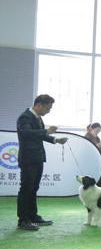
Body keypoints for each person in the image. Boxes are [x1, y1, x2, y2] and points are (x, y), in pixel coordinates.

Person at [15, 95, 68, 231]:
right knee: (26, 189)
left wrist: (55, 140)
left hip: (37, 158)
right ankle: (23, 219)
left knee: (33, 188)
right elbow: (26, 132)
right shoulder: (25, 117)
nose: (49, 111)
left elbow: (39, 135)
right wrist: (46, 131)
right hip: (28, 159)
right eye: (47, 108)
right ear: (39, 105)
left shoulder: (37, 117)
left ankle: (32, 216)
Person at [85, 122, 101, 187]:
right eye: (96, 131)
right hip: (91, 163)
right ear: (91, 129)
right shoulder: (86, 138)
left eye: (99, 131)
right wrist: (97, 146)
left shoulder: (97, 138)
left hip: (99, 161)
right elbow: (87, 151)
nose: (97, 133)